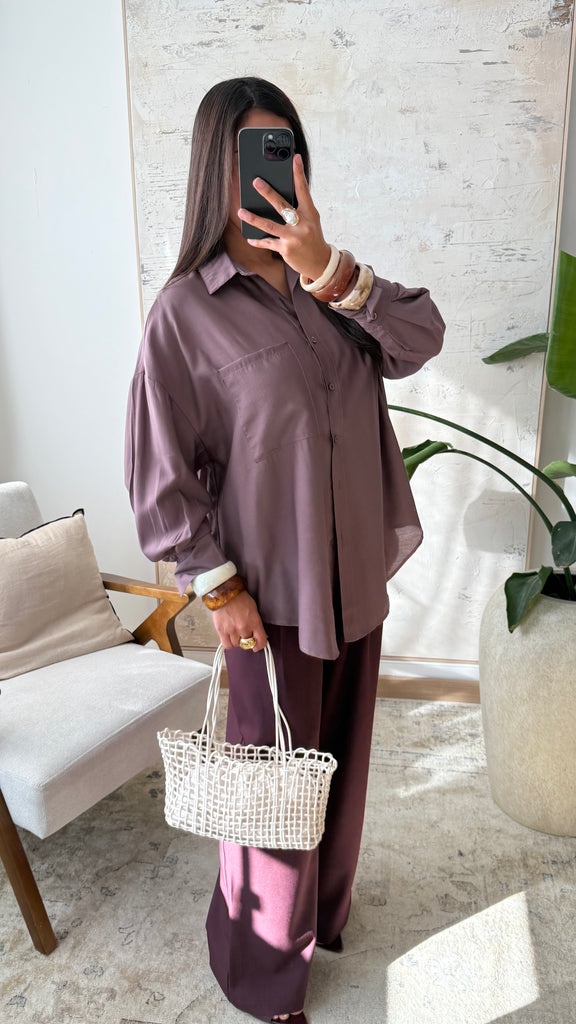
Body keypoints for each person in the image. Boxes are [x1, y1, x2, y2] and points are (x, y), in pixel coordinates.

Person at [125, 76, 444, 1024]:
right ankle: (262, 970)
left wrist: (330, 268)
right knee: (266, 796)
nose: (273, 175)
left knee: (335, 772)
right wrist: (218, 590)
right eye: (254, 156)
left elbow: (420, 338)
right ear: (214, 171)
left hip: (353, 584)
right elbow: (159, 470)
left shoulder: (331, 289)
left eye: (287, 153)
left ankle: (321, 920)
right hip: (267, 597)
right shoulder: (184, 313)